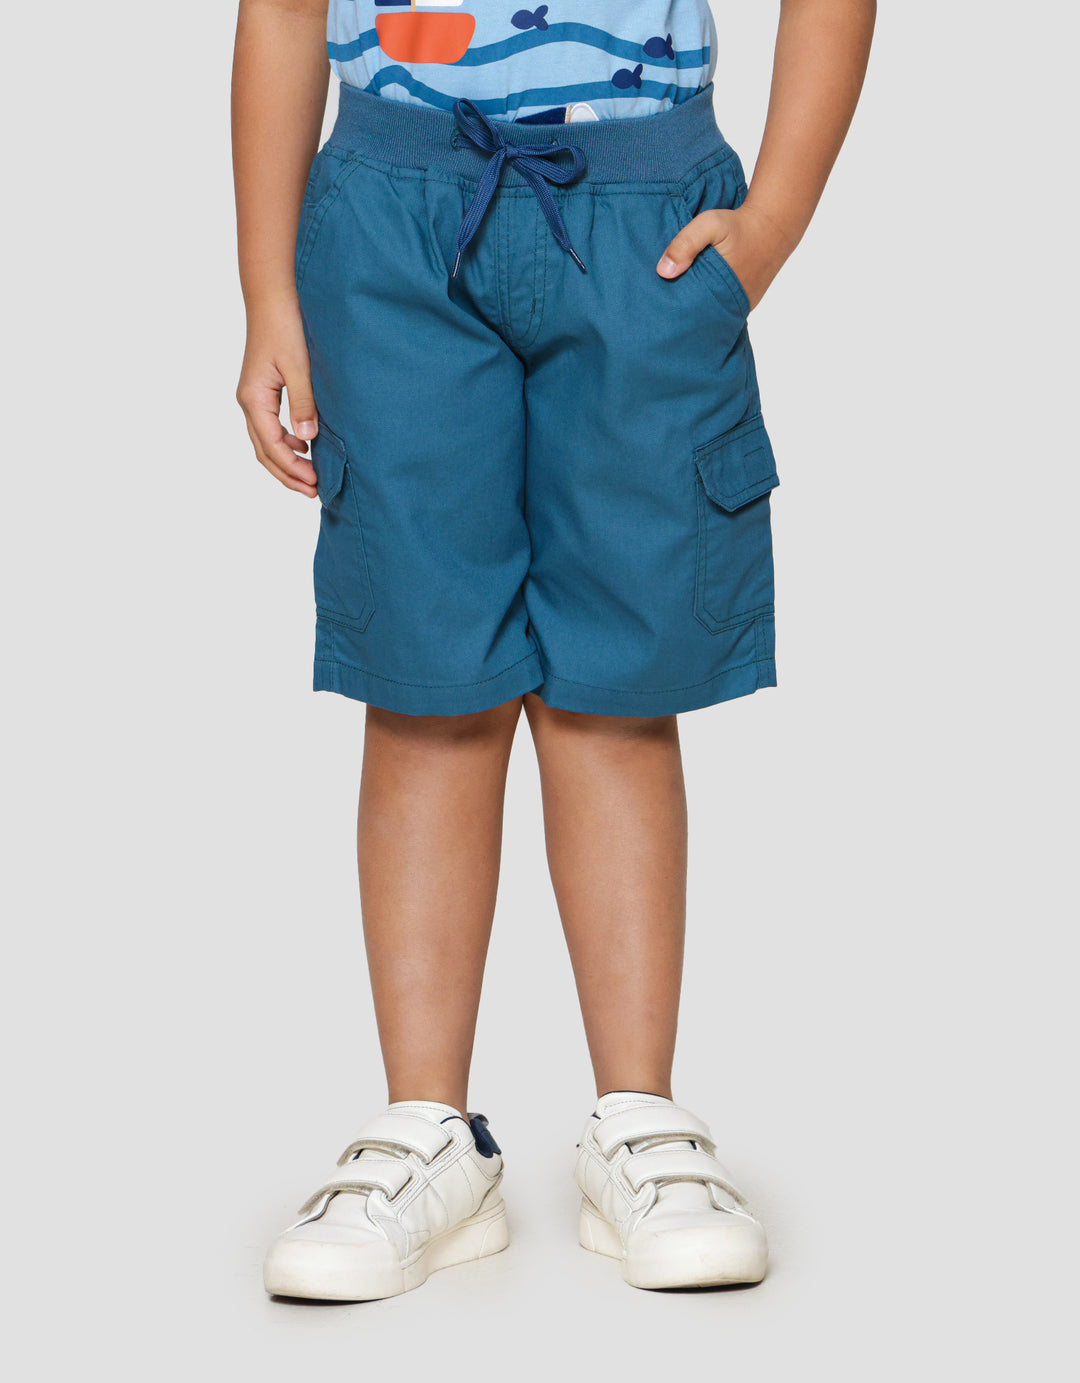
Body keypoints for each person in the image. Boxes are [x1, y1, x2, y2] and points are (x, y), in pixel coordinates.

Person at [232, 0, 875, 1300]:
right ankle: (429, 1130)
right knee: (427, 682)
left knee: (617, 688)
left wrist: (771, 224)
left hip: (643, 216)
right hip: (391, 212)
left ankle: (638, 1118)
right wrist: (266, 290)